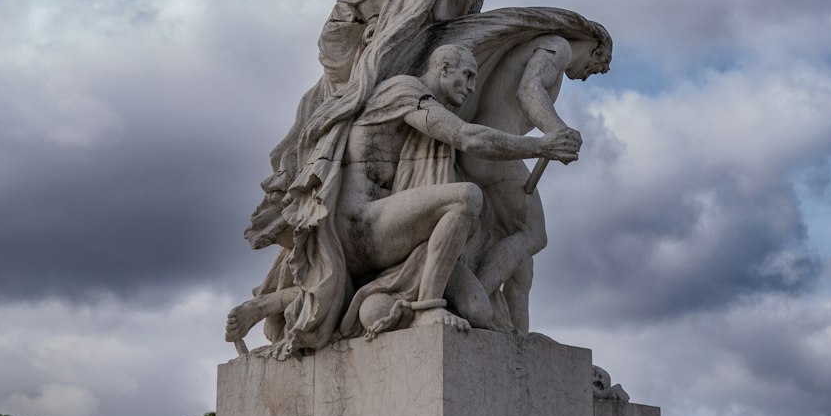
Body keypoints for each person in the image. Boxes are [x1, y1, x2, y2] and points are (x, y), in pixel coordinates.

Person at [225, 44, 580, 349]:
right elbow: (466, 137)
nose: (471, 88)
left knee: (477, 310)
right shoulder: (403, 91)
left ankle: (276, 306)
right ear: (442, 68)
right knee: (465, 197)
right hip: (359, 224)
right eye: (467, 76)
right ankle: (427, 307)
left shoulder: (423, 108)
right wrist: (540, 144)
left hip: (387, 229)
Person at [459, 26, 612, 332]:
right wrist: (556, 131)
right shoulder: (557, 47)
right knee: (534, 234)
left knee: (521, 262)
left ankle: (518, 337)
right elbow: (529, 90)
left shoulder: (546, 48)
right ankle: (473, 302)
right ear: (596, 50)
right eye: (597, 69)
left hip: (489, 155)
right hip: (497, 153)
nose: (585, 77)